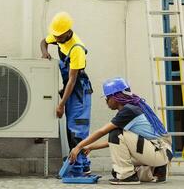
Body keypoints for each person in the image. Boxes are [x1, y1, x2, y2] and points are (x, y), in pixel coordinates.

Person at [69, 77, 173, 185]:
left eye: (107, 98)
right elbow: (120, 141)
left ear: (115, 97)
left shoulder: (128, 111)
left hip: (159, 152)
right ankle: (158, 171)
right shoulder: (133, 108)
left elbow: (102, 132)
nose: (106, 101)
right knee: (116, 170)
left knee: (115, 135)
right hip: (160, 151)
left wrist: (78, 146)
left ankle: (128, 177)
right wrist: (91, 147)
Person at [40, 12, 93, 175]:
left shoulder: (77, 48)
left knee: (78, 127)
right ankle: (79, 164)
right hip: (70, 89)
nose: (55, 39)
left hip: (79, 91)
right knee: (71, 128)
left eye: (58, 36)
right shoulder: (58, 35)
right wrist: (44, 52)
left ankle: (81, 166)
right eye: (54, 35)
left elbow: (72, 80)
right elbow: (44, 41)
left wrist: (61, 105)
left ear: (68, 32)